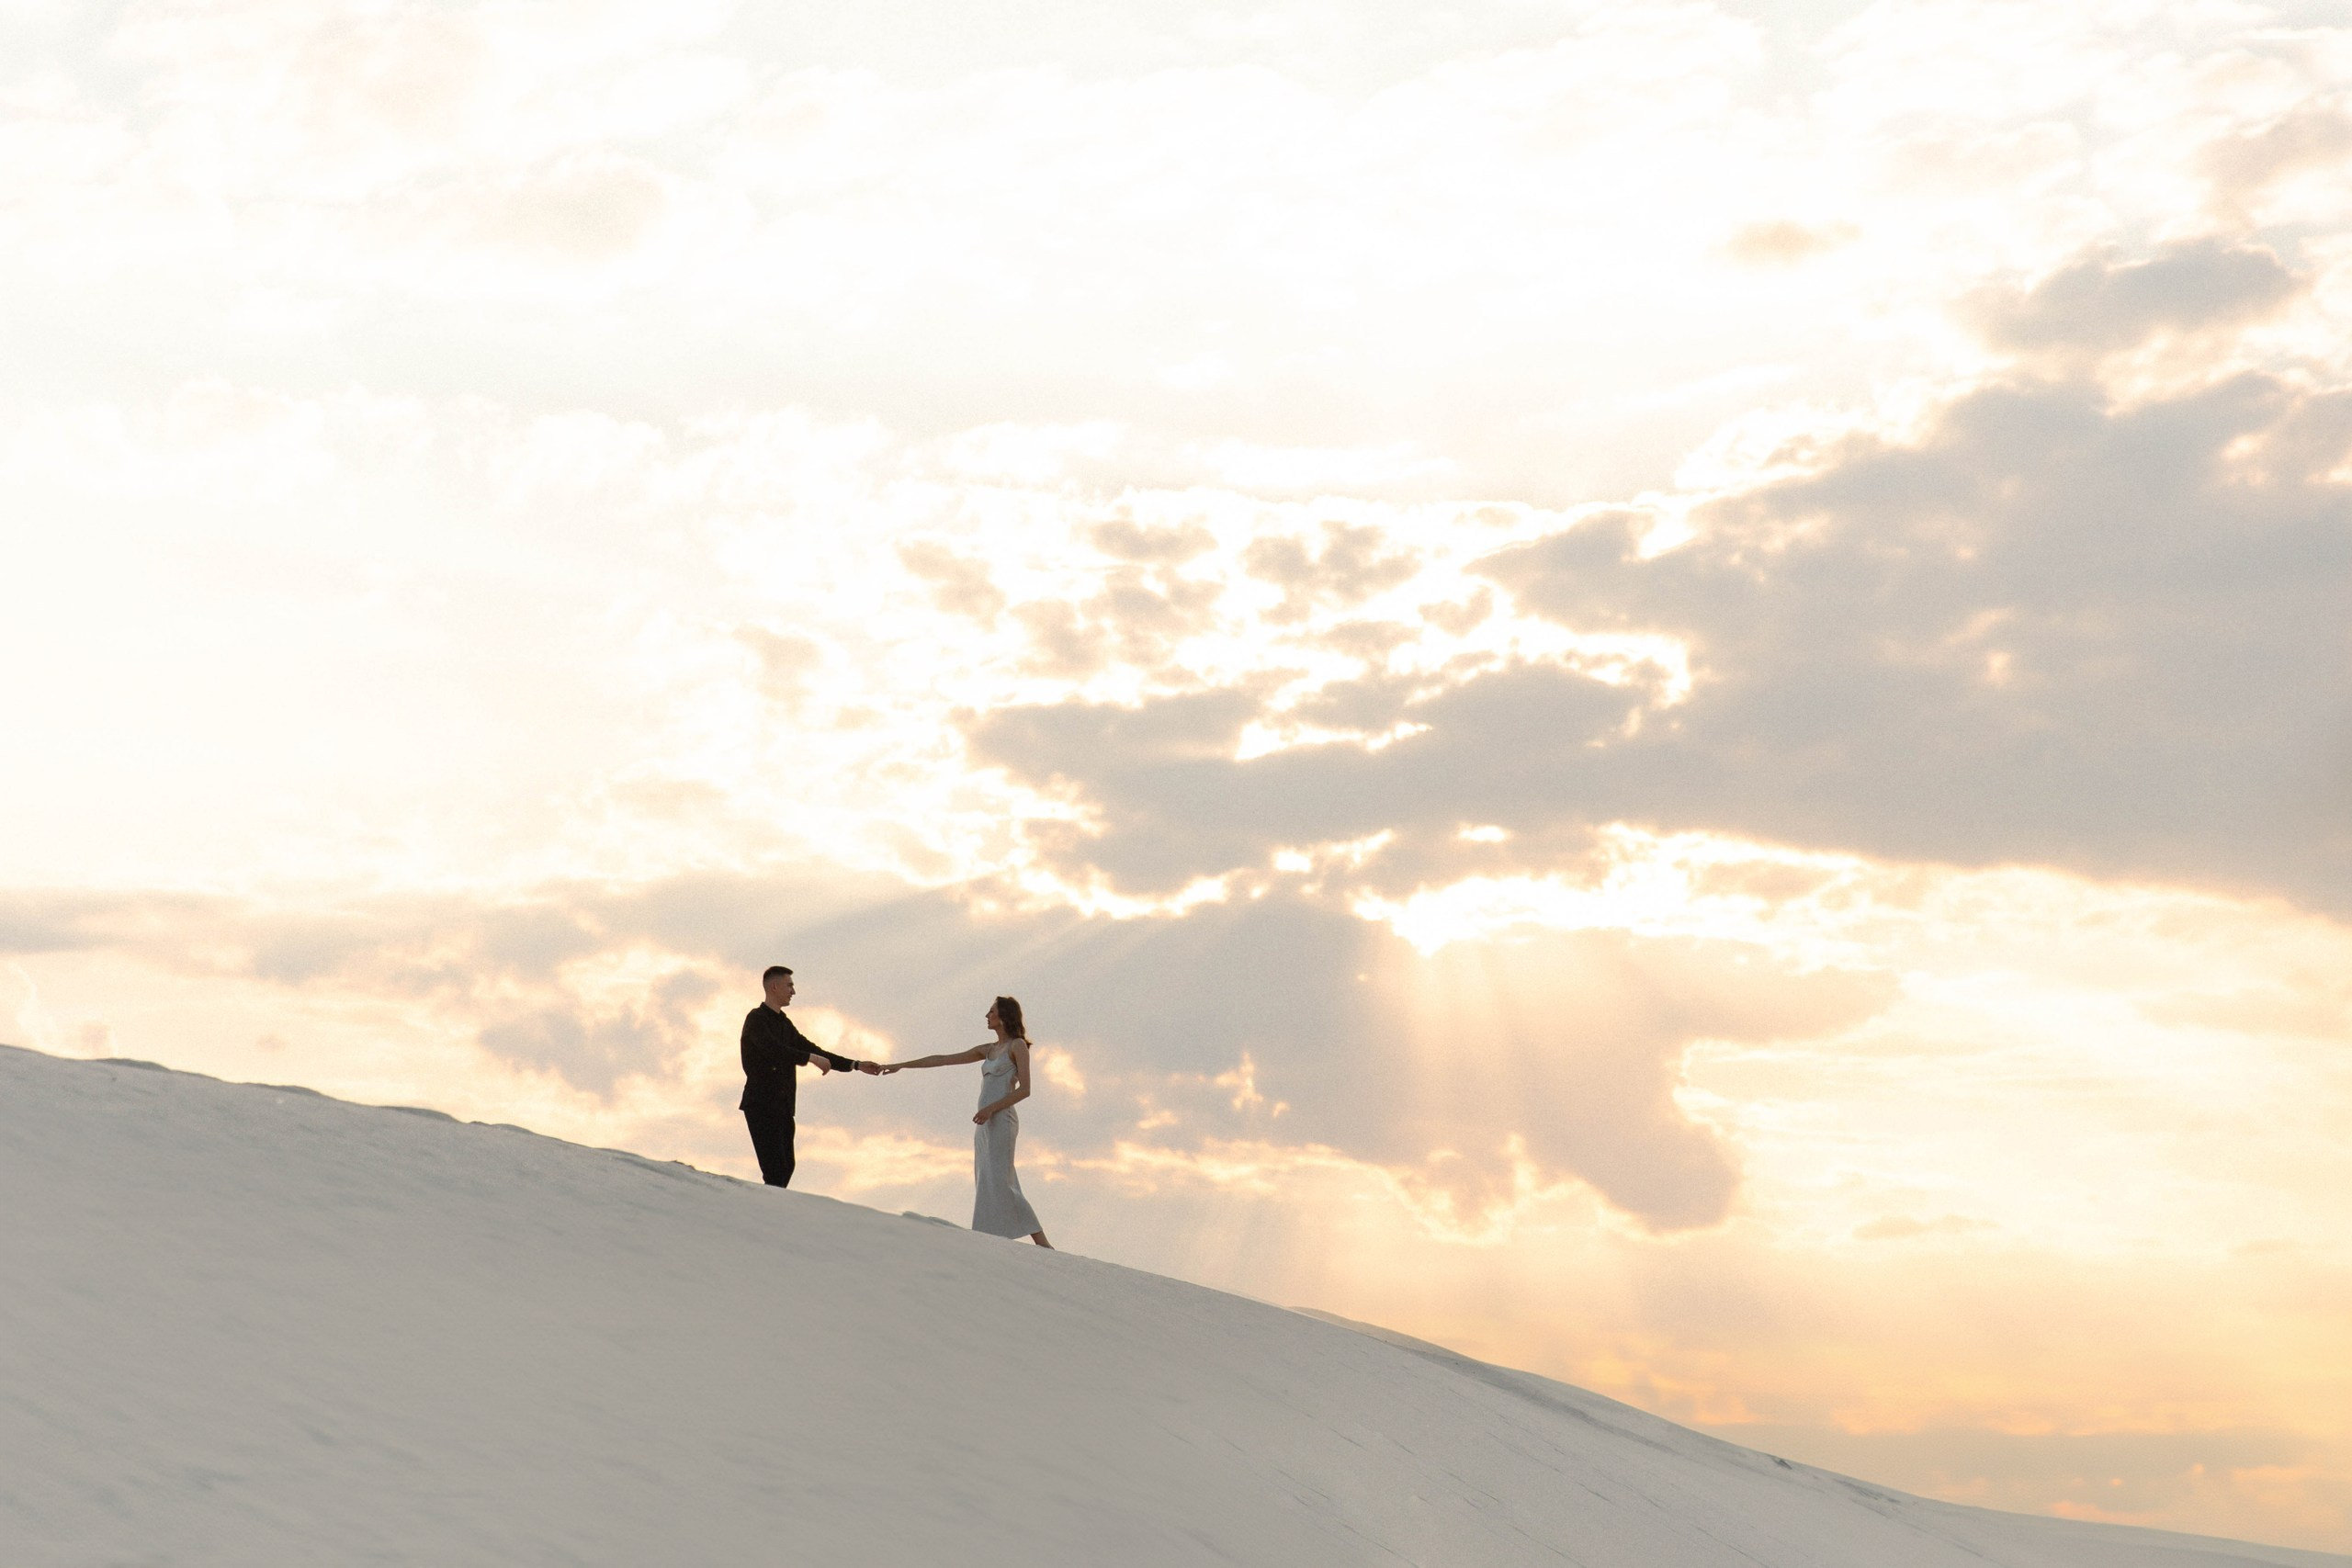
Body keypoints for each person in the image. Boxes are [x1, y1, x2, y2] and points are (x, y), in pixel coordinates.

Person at [878, 997, 1052, 1247]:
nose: (987, 1015)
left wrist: (991, 1109)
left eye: (991, 1011)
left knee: (1003, 1181)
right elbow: (943, 1059)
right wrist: (901, 1065)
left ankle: (1042, 1243)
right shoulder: (988, 1049)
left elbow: (1025, 1090)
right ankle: (988, 1235)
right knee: (986, 1178)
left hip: (1002, 1120)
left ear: (1004, 1015)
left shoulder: (1018, 1046)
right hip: (984, 1124)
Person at [740, 964, 878, 1189]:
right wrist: (810, 1058)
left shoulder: (785, 1024)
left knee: (786, 1167)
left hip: (783, 1106)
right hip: (761, 1104)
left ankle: (770, 1208)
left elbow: (814, 1049)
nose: (793, 991)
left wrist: (856, 1065)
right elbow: (773, 1049)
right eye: (789, 985)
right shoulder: (756, 1019)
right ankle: (763, 1209)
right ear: (774, 987)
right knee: (775, 1170)